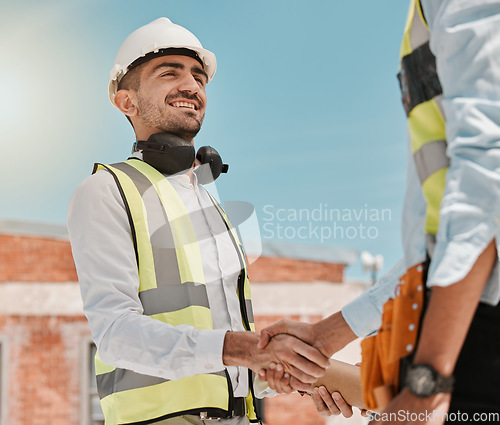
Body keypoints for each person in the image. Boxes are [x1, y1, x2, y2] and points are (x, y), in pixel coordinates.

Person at [67, 17, 331, 425]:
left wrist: (279, 375)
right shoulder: (107, 190)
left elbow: (219, 359)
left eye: (198, 76)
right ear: (127, 102)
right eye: (169, 72)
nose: (191, 85)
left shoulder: (211, 206)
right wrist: (244, 349)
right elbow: (115, 334)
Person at [259, 0, 500, 422]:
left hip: (475, 337)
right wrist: (324, 338)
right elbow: (438, 247)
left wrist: (426, 384)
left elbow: (486, 182)